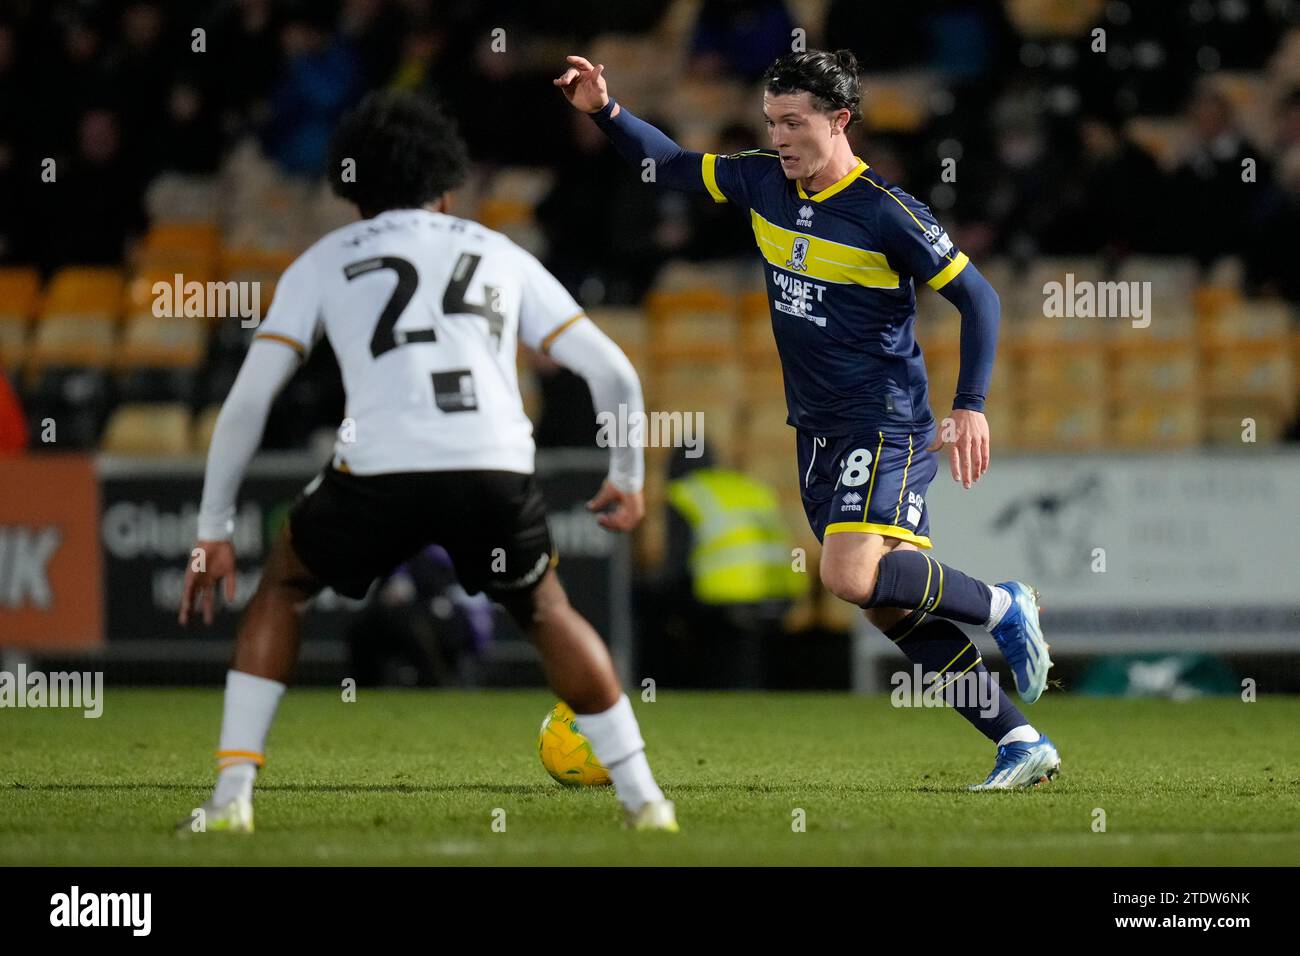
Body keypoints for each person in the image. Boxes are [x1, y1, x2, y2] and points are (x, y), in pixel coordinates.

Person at [555, 50, 1058, 790]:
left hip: (882, 419)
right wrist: (605, 110)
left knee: (849, 575)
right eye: (771, 122)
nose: (780, 136)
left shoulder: (887, 211)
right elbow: (668, 163)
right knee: (889, 605)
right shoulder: (761, 179)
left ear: (839, 120)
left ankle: (1003, 603)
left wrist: (970, 407)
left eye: (795, 122)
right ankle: (1018, 740)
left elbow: (980, 300)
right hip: (819, 429)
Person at [178, 90, 677, 832]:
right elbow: (615, 375)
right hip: (494, 463)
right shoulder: (498, 252)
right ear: (447, 186)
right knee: (544, 608)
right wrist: (627, 480)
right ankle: (647, 802)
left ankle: (230, 802)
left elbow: (248, 403)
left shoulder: (325, 260)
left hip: (378, 466)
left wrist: (212, 528)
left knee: (282, 586)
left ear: (352, 193)